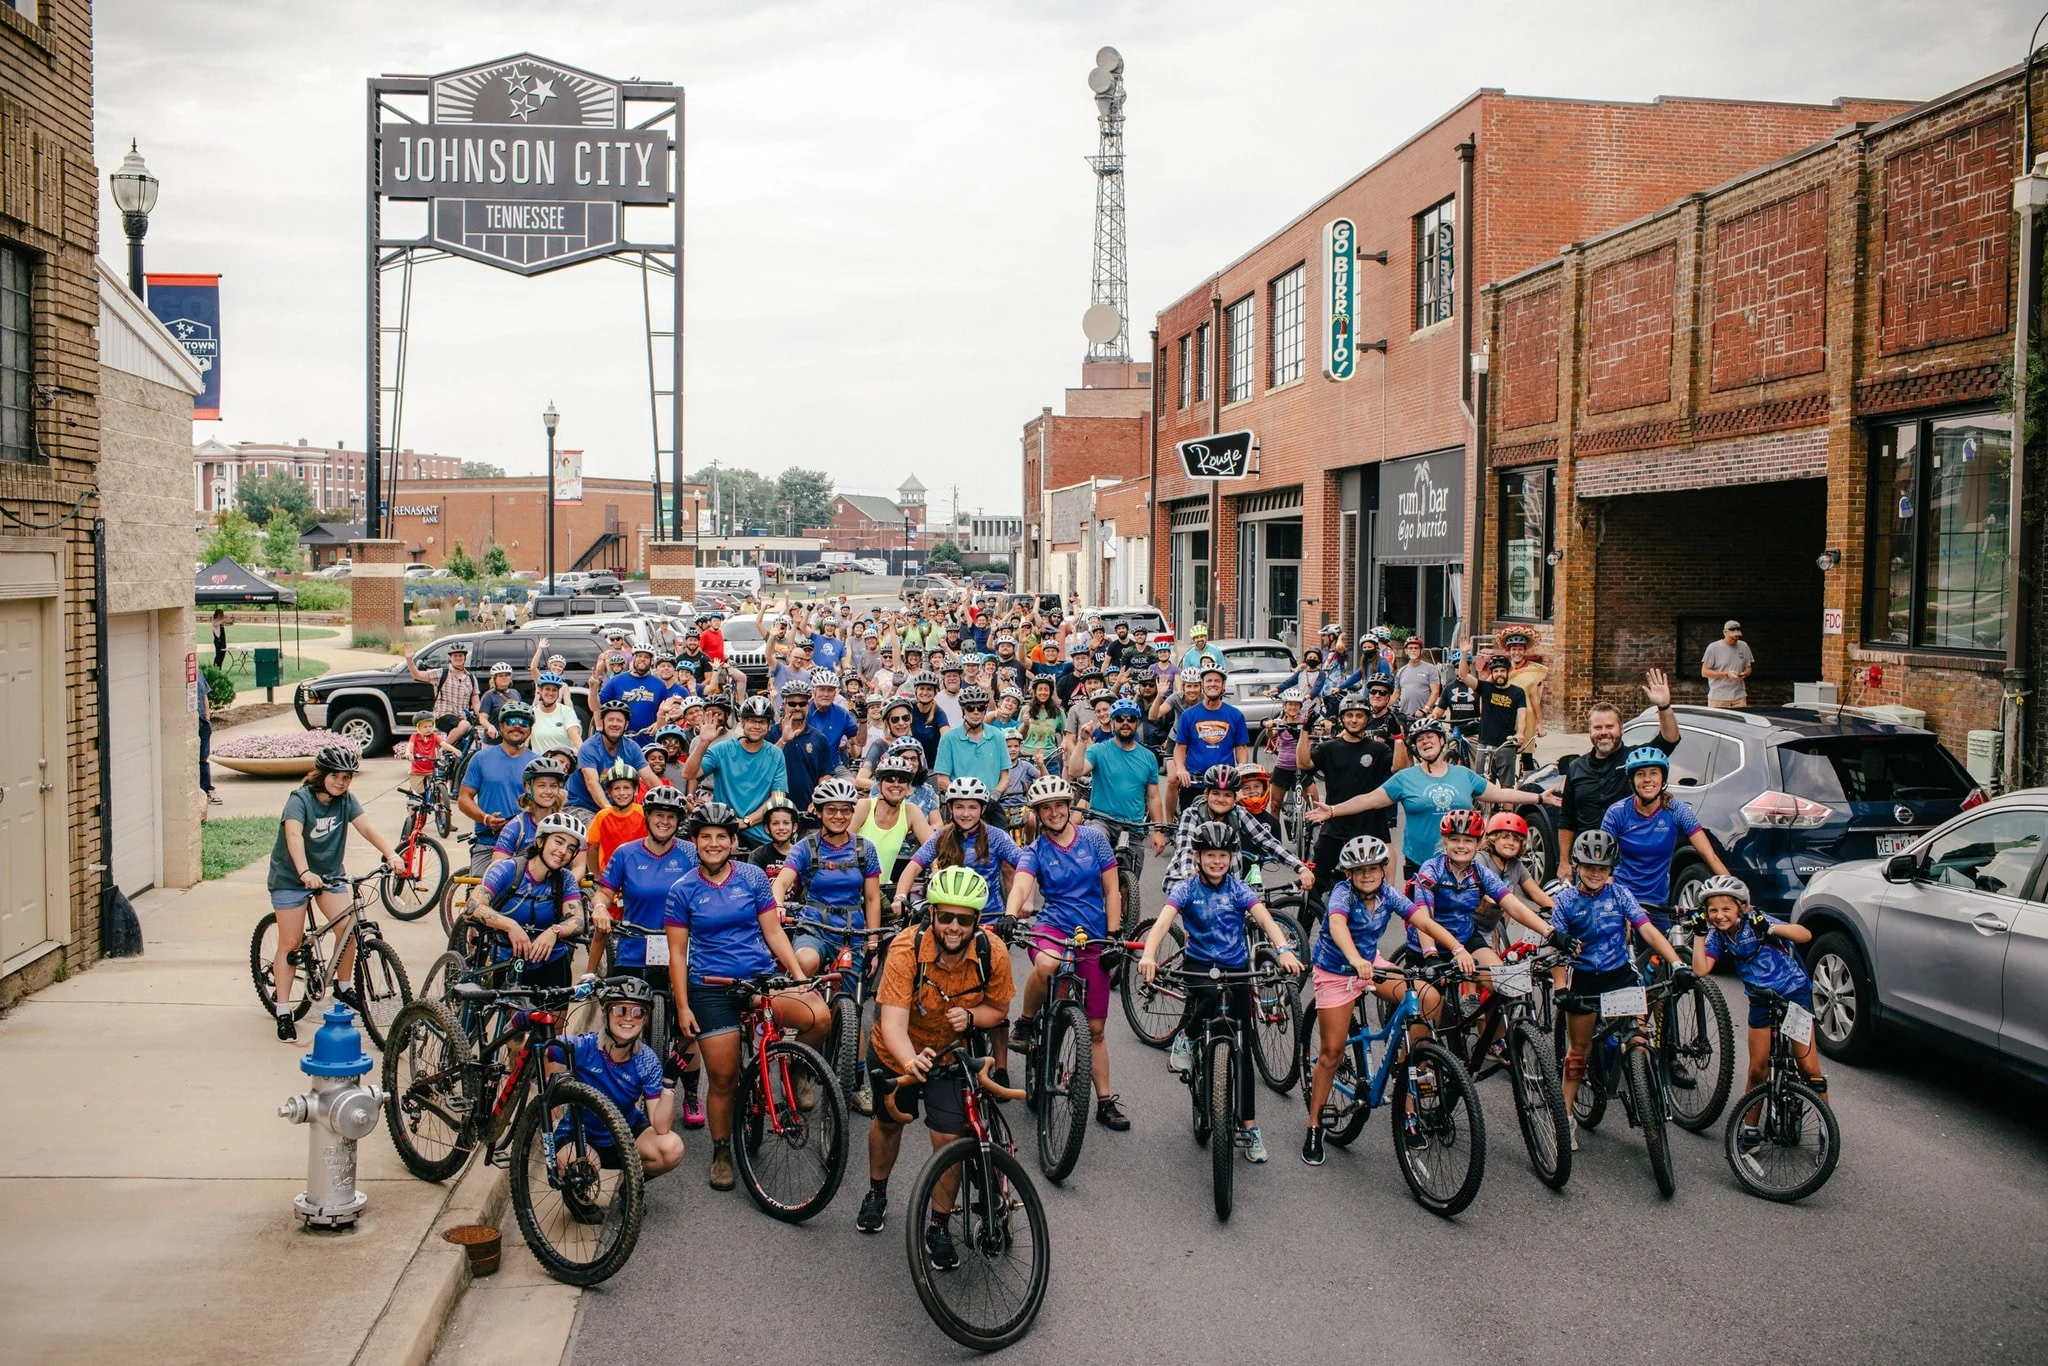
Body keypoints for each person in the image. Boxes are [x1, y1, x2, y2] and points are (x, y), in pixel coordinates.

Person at [664, 802, 827, 1192]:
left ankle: (793, 1073)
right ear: (695, 842)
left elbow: (773, 933)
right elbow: (677, 954)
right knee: (724, 1079)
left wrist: (799, 977)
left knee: (817, 1015)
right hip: (710, 988)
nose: (714, 843)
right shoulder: (682, 890)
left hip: (758, 979)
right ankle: (722, 1151)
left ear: (733, 842)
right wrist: (684, 1006)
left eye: (722, 837)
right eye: (706, 837)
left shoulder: (753, 877)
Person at [855, 864, 1015, 1257]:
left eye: (964, 919)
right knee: (889, 1123)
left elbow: (999, 1008)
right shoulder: (906, 949)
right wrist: (911, 1063)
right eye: (945, 917)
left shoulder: (991, 951)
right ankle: (877, 1191)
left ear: (977, 921)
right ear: (932, 915)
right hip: (900, 1051)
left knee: (948, 1140)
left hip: (950, 1054)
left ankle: (939, 1225)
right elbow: (891, 1023)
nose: (953, 927)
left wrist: (974, 1017)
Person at [1301, 834, 1470, 1165]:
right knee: (1331, 1053)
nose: (1367, 875)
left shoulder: (1386, 894)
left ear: (1382, 869)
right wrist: (1354, 958)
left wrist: (1458, 948)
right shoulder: (1342, 894)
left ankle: (1407, 1083)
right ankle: (1314, 1124)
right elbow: (1336, 926)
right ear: (1348, 873)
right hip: (1337, 970)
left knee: (1428, 998)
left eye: (1374, 868)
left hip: (1370, 964)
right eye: (1359, 870)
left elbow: (1422, 920)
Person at [1140, 820, 1302, 1161]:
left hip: (1237, 968)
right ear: (1197, 857)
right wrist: (1150, 955)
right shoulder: (1185, 890)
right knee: (1212, 994)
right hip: (1199, 967)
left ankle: (1250, 1126)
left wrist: (1283, 948)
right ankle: (1187, 1035)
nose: (1217, 861)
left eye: (1223, 856)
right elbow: (1162, 924)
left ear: (1231, 859)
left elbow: (1265, 919)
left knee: (1241, 1051)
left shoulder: (1238, 889)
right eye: (1210, 855)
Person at [1004, 775, 1130, 1130]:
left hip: (1093, 933)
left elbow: (1112, 890)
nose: (1055, 812)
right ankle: (1026, 1022)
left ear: (1069, 807)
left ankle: (1104, 1101)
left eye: (1060, 805)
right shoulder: (1035, 850)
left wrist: (1114, 936)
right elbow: (1023, 884)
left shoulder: (1094, 839)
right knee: (1048, 962)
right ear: (1039, 814)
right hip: (1053, 927)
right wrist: (1012, 915)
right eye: (1047, 808)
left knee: (1096, 1028)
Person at [1551, 829, 1690, 1146]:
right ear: (1576, 865)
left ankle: (1649, 1094)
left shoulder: (1620, 894)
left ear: (1611, 869)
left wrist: (1677, 963)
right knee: (1578, 1053)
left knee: (1639, 1040)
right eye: (1588, 866)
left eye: (1602, 868)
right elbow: (1557, 950)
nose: (1595, 873)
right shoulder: (1566, 901)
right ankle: (1566, 1118)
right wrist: (1561, 988)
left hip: (1620, 978)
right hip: (1585, 981)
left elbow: (1648, 931)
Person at [264, 745, 404, 1043]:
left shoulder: (346, 801)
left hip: (328, 874)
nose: (341, 782)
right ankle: (284, 1009)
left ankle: (342, 985)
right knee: (290, 944)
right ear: (322, 775)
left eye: (347, 777)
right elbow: (293, 836)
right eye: (336, 776)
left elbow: (366, 828)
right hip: (292, 876)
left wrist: (391, 854)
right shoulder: (299, 800)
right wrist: (303, 872)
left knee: (348, 927)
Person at [1308, 717, 1556, 879]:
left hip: (1461, 860)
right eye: (1419, 740)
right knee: (1421, 931)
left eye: (1430, 737)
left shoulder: (1463, 775)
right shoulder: (1405, 778)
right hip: (1420, 865)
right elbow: (1369, 799)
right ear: (1415, 748)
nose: (1425, 742)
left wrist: (1540, 798)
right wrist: (1332, 811)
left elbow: (1499, 793)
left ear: (1441, 741)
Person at [1687, 874, 1827, 1162]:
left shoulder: (1757, 921)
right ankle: (1750, 1131)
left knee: (1809, 1068)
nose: (1719, 915)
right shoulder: (1717, 934)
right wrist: (1700, 934)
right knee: (1757, 1071)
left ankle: (1827, 1133)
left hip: (1793, 995)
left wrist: (1772, 928)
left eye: (1726, 909)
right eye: (1712, 910)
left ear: (1741, 908)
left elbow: (1804, 935)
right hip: (1760, 1002)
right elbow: (1701, 969)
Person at [546, 976, 684, 1180]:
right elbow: (542, 1048)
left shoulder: (646, 1060)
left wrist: (669, 1083)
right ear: (607, 1013)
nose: (628, 1018)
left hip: (625, 1135)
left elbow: (660, 1126)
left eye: (638, 1013)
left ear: (644, 1020)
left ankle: (631, 1187)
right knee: (581, 1168)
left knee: (671, 1148)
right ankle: (582, 1204)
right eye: (620, 1010)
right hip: (583, 1139)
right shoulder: (585, 1046)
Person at [1557, 670, 1679, 880]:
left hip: (1627, 863)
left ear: (1621, 729)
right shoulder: (1577, 767)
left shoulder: (1636, 760)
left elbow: (1669, 740)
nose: (1604, 732)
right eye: (1598, 727)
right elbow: (1567, 819)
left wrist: (1664, 707)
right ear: (1590, 732)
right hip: (1587, 863)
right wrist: (1564, 862)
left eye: (1609, 726)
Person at [1600, 745, 1728, 932]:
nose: (1647, 780)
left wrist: (1733, 891)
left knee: (1665, 956)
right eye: (1641, 774)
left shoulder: (1676, 810)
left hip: (1657, 904)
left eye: (1654, 773)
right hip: (1622, 900)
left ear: (1663, 779)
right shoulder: (1617, 813)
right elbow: (1601, 863)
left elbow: (1709, 855)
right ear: (1632, 780)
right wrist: (1609, 903)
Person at [468, 811, 589, 991]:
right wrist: (510, 926)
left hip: (551, 958)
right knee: (512, 1013)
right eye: (558, 841)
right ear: (540, 841)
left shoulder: (566, 879)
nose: (563, 851)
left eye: (571, 848)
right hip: (508, 957)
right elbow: (473, 906)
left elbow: (578, 920)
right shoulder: (508, 868)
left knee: (554, 1017)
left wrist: (555, 931)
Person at [1297, 692, 1395, 895]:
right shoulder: (1328, 747)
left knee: (1369, 887)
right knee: (1316, 883)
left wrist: (1399, 736)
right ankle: (1302, 927)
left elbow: (1399, 767)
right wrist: (1305, 730)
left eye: (1359, 715)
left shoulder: (1378, 749)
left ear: (1367, 719)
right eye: (1349, 715)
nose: (1354, 720)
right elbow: (1303, 763)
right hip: (1335, 825)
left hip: (1369, 826)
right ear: (1341, 718)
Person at [895, 778, 1022, 924]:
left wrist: (1020, 906)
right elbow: (914, 866)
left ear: (983, 809)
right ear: (950, 808)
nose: (966, 814)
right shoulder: (941, 836)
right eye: (960, 807)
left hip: (990, 919)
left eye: (973, 807)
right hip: (948, 920)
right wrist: (900, 897)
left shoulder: (997, 837)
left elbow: (1026, 868)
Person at [1160, 763, 1304, 888]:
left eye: (1227, 795)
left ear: (1236, 798)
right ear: (1206, 794)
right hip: (1187, 881)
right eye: (1216, 793)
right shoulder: (1192, 814)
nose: (1221, 800)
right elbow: (1186, 850)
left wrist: (1300, 868)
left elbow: (1266, 840)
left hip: (1227, 883)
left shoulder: (1239, 813)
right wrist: (1190, 876)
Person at [684, 695, 789, 846]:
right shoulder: (722, 749)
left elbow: (777, 797)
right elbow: (689, 774)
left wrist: (747, 821)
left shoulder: (776, 754)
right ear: (743, 721)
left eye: (762, 722)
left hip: (760, 833)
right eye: (752, 721)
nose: (757, 726)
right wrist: (703, 742)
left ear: (768, 725)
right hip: (724, 829)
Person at [457, 700, 536, 876]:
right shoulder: (481, 758)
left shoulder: (537, 763)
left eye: (523, 723)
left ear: (530, 729)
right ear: (501, 726)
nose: (517, 727)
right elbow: (464, 799)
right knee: (478, 895)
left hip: (527, 844)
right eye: (511, 722)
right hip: (488, 841)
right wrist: (485, 819)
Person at [1171, 664, 1251, 811]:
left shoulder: (1235, 715)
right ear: (1202, 685)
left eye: (1217, 681)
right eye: (1208, 681)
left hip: (1224, 783)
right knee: (1190, 827)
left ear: (1223, 686)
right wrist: (1181, 769)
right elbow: (1180, 747)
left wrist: (1241, 768)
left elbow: (1241, 748)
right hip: (1194, 783)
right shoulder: (1188, 715)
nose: (1212, 684)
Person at [1474, 811, 1555, 946]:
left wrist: (1559, 912)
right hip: (1471, 926)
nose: (1511, 843)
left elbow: (1537, 893)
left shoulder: (1516, 866)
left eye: (1516, 839)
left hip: (1493, 926)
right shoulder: (1481, 859)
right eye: (1505, 837)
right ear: (1493, 839)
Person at [854, 753, 932, 888]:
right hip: (854, 888)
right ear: (879, 786)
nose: (896, 784)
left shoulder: (910, 811)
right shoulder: (864, 807)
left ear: (908, 788)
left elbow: (934, 846)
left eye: (902, 780)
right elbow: (840, 845)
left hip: (883, 890)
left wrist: (936, 868)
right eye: (890, 779)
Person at [570, 701, 655, 814]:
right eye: (610, 720)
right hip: (581, 806)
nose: (614, 724)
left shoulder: (632, 747)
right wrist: (611, 814)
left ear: (626, 725)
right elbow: (592, 784)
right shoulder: (589, 747)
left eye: (619, 720)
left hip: (615, 806)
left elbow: (649, 778)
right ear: (602, 722)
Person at [771, 681, 838, 814]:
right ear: (783, 704)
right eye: (792, 704)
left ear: (808, 705)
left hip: (808, 812)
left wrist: (819, 798)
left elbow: (825, 774)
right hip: (776, 812)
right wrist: (783, 741)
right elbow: (763, 765)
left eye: (802, 704)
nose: (797, 708)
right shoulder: (770, 734)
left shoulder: (819, 738)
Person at [933, 684, 1007, 799]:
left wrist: (996, 793)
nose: (976, 712)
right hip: (960, 802)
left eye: (981, 708)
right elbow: (942, 780)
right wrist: (965, 798)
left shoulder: (997, 736)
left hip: (991, 802)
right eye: (970, 708)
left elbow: (1005, 776)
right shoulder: (948, 739)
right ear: (963, 710)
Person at [404, 640, 481, 747]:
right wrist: (409, 660)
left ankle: (452, 760)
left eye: (460, 655)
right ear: (450, 658)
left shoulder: (471, 679)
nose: (458, 658)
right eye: (455, 656)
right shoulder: (441, 673)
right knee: (464, 725)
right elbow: (417, 675)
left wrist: (482, 716)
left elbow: (476, 702)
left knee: (463, 749)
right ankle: (442, 749)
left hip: (460, 718)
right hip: (443, 715)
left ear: (465, 657)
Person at [586, 761, 649, 873]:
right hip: (609, 878)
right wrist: (596, 877)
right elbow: (592, 848)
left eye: (626, 788)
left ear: (635, 790)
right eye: (616, 788)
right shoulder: (602, 816)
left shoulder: (644, 814)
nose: (621, 793)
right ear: (609, 792)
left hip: (639, 875)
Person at [528, 669, 582, 757]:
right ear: (540, 690)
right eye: (547, 689)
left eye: (554, 690)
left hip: (564, 764)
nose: (550, 693)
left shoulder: (566, 712)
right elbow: (524, 744)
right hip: (539, 765)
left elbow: (575, 738)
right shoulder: (532, 713)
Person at [1701, 619, 1754, 709]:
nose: (1735, 639)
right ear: (1725, 632)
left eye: (1737, 636)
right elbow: (1704, 672)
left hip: (1739, 696)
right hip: (1718, 697)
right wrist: (1726, 674)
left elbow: (1748, 668)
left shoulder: (1744, 646)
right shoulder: (1713, 648)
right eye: (1732, 636)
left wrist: (1744, 674)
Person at [747, 795, 803, 878]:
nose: (781, 828)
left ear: (794, 827)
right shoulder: (758, 855)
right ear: (767, 828)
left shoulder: (802, 854)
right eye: (775, 823)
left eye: (786, 823)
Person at [1393, 636, 1440, 719]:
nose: (1413, 650)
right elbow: (1396, 693)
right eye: (1410, 648)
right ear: (1406, 651)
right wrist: (1385, 706)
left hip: (1423, 716)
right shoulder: (1401, 671)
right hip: (1404, 716)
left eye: (1416, 648)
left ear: (1421, 651)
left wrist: (1425, 709)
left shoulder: (1431, 669)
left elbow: (1435, 692)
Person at [398, 713, 443, 796]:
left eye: (430, 726)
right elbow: (410, 746)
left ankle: (441, 805)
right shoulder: (415, 736)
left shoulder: (434, 736)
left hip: (431, 769)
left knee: (438, 789)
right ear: (418, 728)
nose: (428, 729)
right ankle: (412, 806)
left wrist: (454, 750)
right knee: (417, 795)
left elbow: (443, 744)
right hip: (417, 771)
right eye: (425, 727)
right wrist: (408, 753)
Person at [477, 662, 523, 741]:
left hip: (511, 740)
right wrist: (490, 727)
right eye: (500, 676)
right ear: (494, 678)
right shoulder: (489, 695)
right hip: (494, 740)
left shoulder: (515, 693)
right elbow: (482, 718)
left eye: (506, 675)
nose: (504, 678)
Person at [197, 679, 220, 808]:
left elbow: (204, 695)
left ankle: (207, 789)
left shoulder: (198, 671)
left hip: (203, 723)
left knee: (203, 758)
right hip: (190, 722)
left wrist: (207, 717)